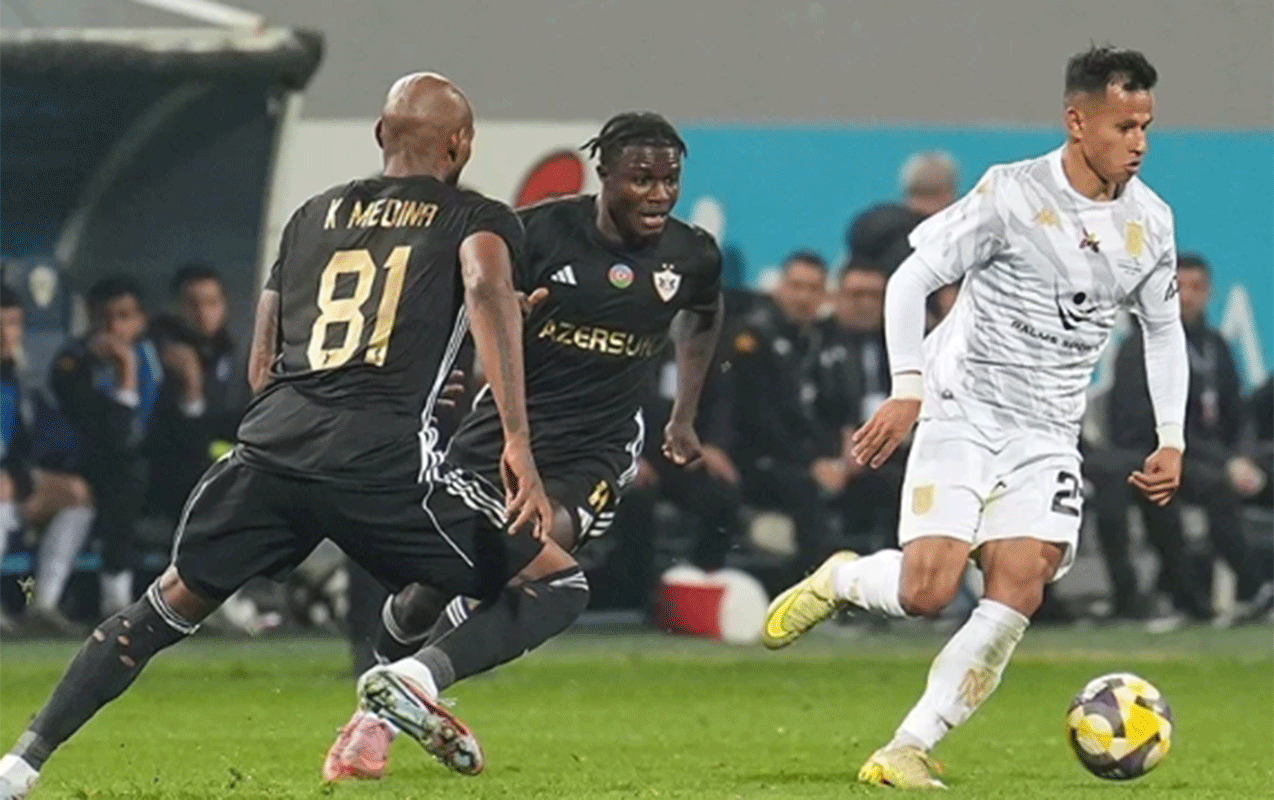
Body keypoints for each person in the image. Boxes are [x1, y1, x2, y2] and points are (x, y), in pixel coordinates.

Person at [0, 72, 587, 798]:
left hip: (271, 453)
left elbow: (262, 366)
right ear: (462, 144)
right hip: (379, 461)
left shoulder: (312, 215)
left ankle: (19, 766)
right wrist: (516, 437)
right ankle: (412, 677)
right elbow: (485, 286)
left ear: (381, 135)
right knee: (556, 581)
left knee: (161, 608)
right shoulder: (478, 216)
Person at [763, 46, 1188, 788]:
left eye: (1146, 126)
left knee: (1020, 583)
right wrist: (907, 388)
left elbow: (1162, 330)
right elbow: (910, 280)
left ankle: (907, 745)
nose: (1139, 143)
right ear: (1077, 122)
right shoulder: (1011, 194)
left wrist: (1172, 437)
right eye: (1124, 127)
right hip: (964, 407)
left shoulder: (1150, 221)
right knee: (926, 592)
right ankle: (843, 580)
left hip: (1048, 431)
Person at [323, 111, 723, 782]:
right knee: (429, 591)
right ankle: (385, 701)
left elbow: (705, 313)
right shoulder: (536, 232)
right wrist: (456, 360)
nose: (659, 195)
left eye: (669, 181)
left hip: (595, 450)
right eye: (641, 180)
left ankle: (399, 694)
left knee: (537, 555)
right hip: (502, 433)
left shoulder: (693, 254)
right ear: (604, 174)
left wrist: (683, 415)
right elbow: (466, 296)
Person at [1099, 254, 1271, 622]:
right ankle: (1248, 588)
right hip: (1156, 454)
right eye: (1179, 288)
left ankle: (1255, 587)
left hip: (1214, 456)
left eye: (1197, 288)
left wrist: (1244, 456)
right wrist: (1226, 463)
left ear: (1209, 293)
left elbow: (1237, 412)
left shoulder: (1215, 345)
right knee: (1214, 486)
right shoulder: (1141, 348)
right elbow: (1146, 424)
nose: (1188, 297)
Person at [46, 276, 159, 615]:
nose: (113, 328)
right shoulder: (72, 364)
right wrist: (125, 373)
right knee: (127, 474)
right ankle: (116, 595)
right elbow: (114, 435)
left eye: (123, 317)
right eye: (103, 318)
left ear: (140, 321)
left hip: (139, 465)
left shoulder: (152, 358)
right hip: (75, 462)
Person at [727, 251, 841, 586]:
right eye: (796, 286)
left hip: (809, 458)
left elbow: (831, 408)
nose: (803, 297)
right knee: (806, 491)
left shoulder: (820, 342)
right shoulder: (753, 339)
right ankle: (811, 592)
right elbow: (758, 419)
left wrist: (837, 457)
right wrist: (811, 462)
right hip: (757, 459)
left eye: (813, 289)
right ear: (779, 288)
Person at [0, 285, 95, 635]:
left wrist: (23, 479)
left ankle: (44, 604)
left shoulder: (15, 380)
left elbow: (26, 444)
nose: (6, 334)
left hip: (10, 484)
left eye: (12, 324)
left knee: (77, 493)